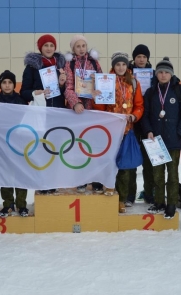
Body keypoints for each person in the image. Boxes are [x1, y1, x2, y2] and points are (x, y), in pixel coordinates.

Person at [92, 51, 144, 212]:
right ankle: (108, 190)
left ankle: (122, 198)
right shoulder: (106, 81)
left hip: (127, 130)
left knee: (124, 165)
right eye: (117, 64)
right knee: (108, 162)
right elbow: (100, 108)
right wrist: (96, 97)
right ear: (113, 66)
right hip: (110, 131)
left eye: (123, 64)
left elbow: (139, 105)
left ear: (127, 65)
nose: (121, 67)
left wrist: (134, 116)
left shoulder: (134, 82)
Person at [141, 57, 181, 219]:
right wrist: (148, 131)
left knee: (172, 175)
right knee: (157, 175)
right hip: (156, 141)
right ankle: (159, 202)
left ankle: (171, 204)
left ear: (171, 74)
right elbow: (145, 115)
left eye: (166, 72)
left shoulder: (180, 90)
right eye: (160, 72)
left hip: (173, 140)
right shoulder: (150, 92)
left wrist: (179, 133)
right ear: (156, 74)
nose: (163, 75)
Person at [20, 34, 67, 195]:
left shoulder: (61, 66)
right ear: (40, 48)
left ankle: (54, 180)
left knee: (56, 148)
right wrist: (35, 92)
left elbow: (66, 91)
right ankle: (42, 182)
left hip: (57, 113)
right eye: (45, 45)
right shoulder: (32, 67)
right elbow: (23, 92)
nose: (49, 48)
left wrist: (62, 84)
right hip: (40, 114)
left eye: (51, 45)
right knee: (41, 149)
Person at [0, 70, 29, 218]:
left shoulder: (21, 100)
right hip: (2, 144)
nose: (7, 85)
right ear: (0, 84)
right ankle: (8, 204)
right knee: (6, 173)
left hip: (19, 143)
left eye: (10, 82)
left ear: (14, 85)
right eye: (4, 82)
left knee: (21, 174)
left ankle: (22, 205)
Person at [64, 34, 103, 193]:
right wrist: (75, 103)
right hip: (77, 112)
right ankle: (80, 179)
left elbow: (102, 82)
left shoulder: (94, 62)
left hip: (93, 109)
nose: (81, 49)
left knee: (94, 145)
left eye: (83, 46)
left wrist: (98, 92)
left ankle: (96, 180)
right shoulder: (69, 64)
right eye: (77, 46)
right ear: (73, 49)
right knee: (78, 146)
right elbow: (68, 87)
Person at [127, 44, 155, 206]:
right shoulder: (127, 75)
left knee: (148, 160)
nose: (141, 59)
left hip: (149, 122)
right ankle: (130, 195)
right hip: (131, 120)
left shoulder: (154, 75)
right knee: (130, 159)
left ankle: (149, 194)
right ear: (134, 58)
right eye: (138, 56)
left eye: (144, 56)